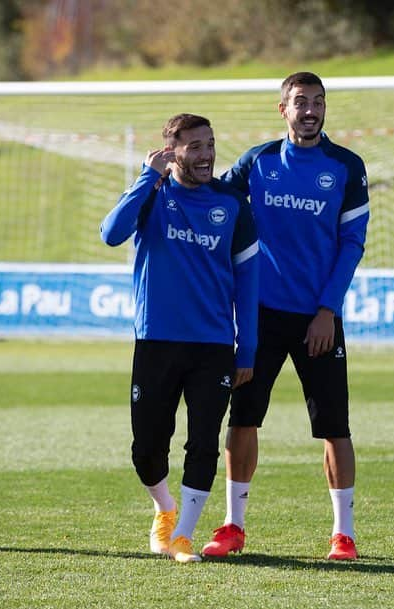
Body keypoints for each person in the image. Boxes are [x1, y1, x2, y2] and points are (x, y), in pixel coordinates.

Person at [202, 72, 370, 561]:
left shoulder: (345, 166)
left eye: (318, 102)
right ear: (283, 109)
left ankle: (344, 534)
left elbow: (351, 245)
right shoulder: (258, 161)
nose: (311, 110)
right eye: (301, 102)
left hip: (318, 318)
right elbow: (214, 197)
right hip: (259, 318)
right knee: (244, 417)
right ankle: (233, 525)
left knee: (334, 425)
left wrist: (327, 310)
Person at [99, 113, 259, 563]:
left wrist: (245, 348)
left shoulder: (231, 203)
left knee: (204, 441)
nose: (207, 154)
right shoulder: (152, 194)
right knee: (146, 448)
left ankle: (184, 536)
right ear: (172, 152)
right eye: (195, 146)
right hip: (155, 340)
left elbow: (248, 282)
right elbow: (111, 234)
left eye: (210, 144)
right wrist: (147, 177)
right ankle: (165, 508)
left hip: (212, 346)